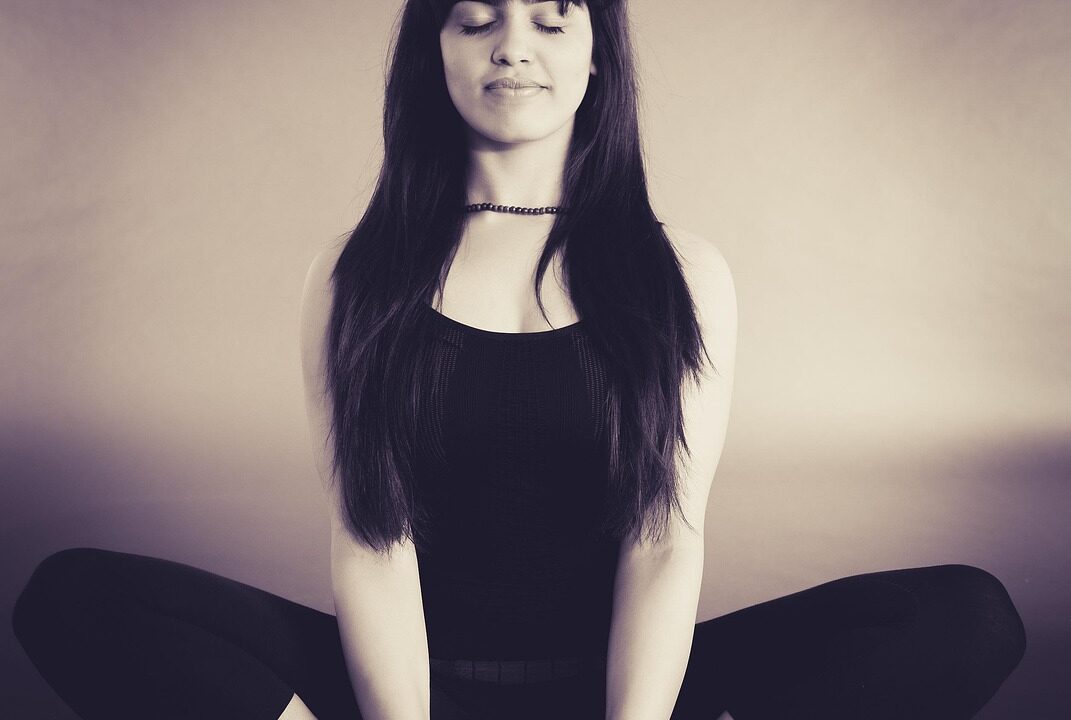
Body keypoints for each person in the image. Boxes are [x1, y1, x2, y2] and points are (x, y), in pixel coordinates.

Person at [12, 1, 1026, 719]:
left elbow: (665, 542)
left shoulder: (681, 272)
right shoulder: (356, 273)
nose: (513, 46)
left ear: (597, 57)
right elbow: (369, 542)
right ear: (434, 53)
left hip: (623, 691)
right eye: (475, 19)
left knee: (965, 616)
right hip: (403, 687)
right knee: (73, 597)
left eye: (551, 18)